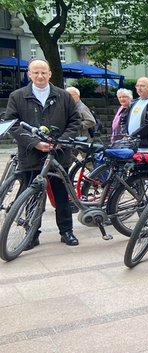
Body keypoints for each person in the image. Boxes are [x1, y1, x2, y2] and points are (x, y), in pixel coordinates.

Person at [4, 58, 82, 247]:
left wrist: (60, 141)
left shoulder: (63, 96)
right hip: (31, 155)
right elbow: (12, 124)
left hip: (58, 155)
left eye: (43, 72)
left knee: (61, 195)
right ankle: (32, 234)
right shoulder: (18, 96)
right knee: (31, 195)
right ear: (29, 74)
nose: (40, 76)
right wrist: (34, 143)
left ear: (50, 74)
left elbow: (75, 121)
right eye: (35, 72)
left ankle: (66, 231)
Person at [120, 77, 148, 153]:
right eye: (137, 86)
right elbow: (123, 118)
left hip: (147, 146)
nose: (139, 88)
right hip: (131, 145)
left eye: (142, 86)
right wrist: (124, 134)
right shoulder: (133, 103)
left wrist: (132, 136)